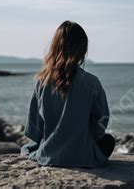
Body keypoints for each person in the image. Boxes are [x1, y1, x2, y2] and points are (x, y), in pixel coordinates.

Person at [20, 21, 115, 167]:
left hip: (48, 157)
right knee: (109, 141)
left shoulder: (42, 81)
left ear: (55, 47)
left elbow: (34, 128)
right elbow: (100, 123)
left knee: (30, 147)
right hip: (83, 157)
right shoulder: (92, 82)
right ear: (83, 51)